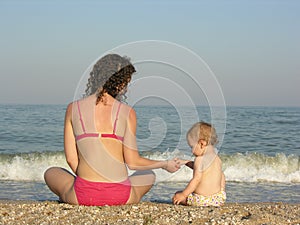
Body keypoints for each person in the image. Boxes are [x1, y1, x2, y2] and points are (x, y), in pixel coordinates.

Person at [44, 53, 180, 206]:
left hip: (83, 195)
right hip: (120, 195)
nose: (126, 90)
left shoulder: (73, 109)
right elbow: (133, 163)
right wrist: (165, 164)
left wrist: (91, 182)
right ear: (117, 82)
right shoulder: (127, 113)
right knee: (149, 174)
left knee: (51, 172)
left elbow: (71, 159)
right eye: (125, 83)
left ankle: (73, 194)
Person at [172, 121, 226, 207]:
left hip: (201, 200)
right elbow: (221, 176)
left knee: (177, 194)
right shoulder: (217, 159)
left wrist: (183, 195)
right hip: (217, 199)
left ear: (202, 143)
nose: (192, 151)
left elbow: (196, 179)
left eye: (192, 147)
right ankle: (221, 196)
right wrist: (222, 191)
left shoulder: (199, 159)